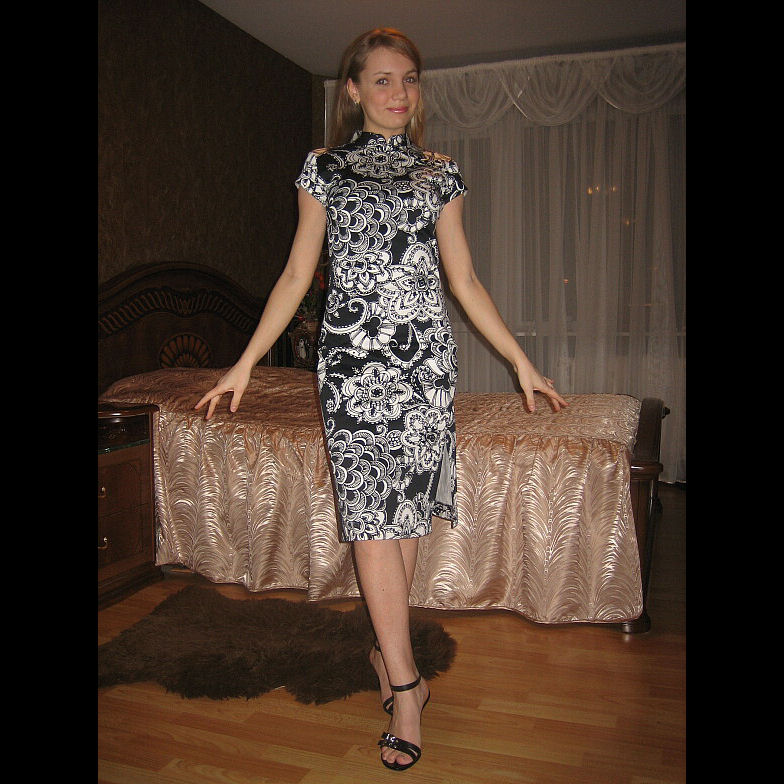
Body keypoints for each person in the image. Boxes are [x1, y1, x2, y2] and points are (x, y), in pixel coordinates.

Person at [195, 27, 567, 772]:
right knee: (372, 520)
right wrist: (245, 363)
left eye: (410, 79)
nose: (400, 93)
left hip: (425, 365)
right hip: (352, 366)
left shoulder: (439, 173)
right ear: (355, 91)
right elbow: (297, 274)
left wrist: (521, 362)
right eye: (384, 80)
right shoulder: (324, 168)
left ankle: (385, 651)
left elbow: (464, 280)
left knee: (405, 518)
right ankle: (405, 686)